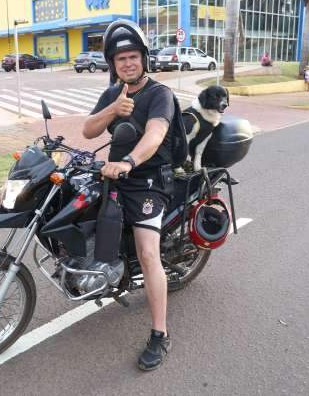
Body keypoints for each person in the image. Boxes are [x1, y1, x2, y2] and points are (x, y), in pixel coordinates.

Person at [82, 19, 175, 371]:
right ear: (112, 64)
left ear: (144, 59)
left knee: (148, 253)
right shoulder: (113, 95)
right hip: (116, 177)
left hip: (149, 180)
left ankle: (160, 334)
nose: (127, 63)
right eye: (120, 59)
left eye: (133, 56)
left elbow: (155, 135)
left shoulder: (159, 94)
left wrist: (130, 161)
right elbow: (89, 130)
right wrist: (112, 109)